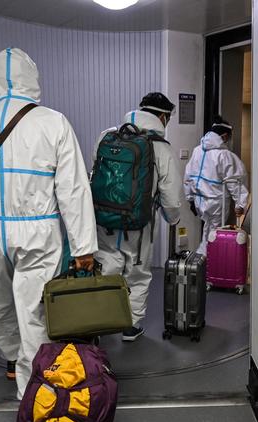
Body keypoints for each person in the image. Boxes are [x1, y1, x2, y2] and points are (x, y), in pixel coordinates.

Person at [0, 48, 97, 399]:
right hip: (37, 228)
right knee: (35, 308)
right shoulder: (52, 121)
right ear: (32, 80)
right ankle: (35, 393)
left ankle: (12, 358)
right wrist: (83, 247)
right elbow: (73, 189)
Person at [93, 92, 182, 342]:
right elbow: (172, 196)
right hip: (138, 224)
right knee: (138, 273)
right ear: (162, 116)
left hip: (104, 218)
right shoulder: (162, 148)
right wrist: (172, 219)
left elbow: (95, 172)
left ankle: (97, 324)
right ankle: (130, 327)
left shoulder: (107, 136)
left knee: (105, 266)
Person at [184, 115, 249, 256]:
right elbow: (235, 182)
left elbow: (188, 176)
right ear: (224, 137)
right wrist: (240, 204)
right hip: (217, 203)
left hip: (199, 201)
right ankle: (207, 266)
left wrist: (189, 198)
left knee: (207, 232)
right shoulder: (224, 156)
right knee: (213, 236)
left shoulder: (197, 151)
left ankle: (201, 264)